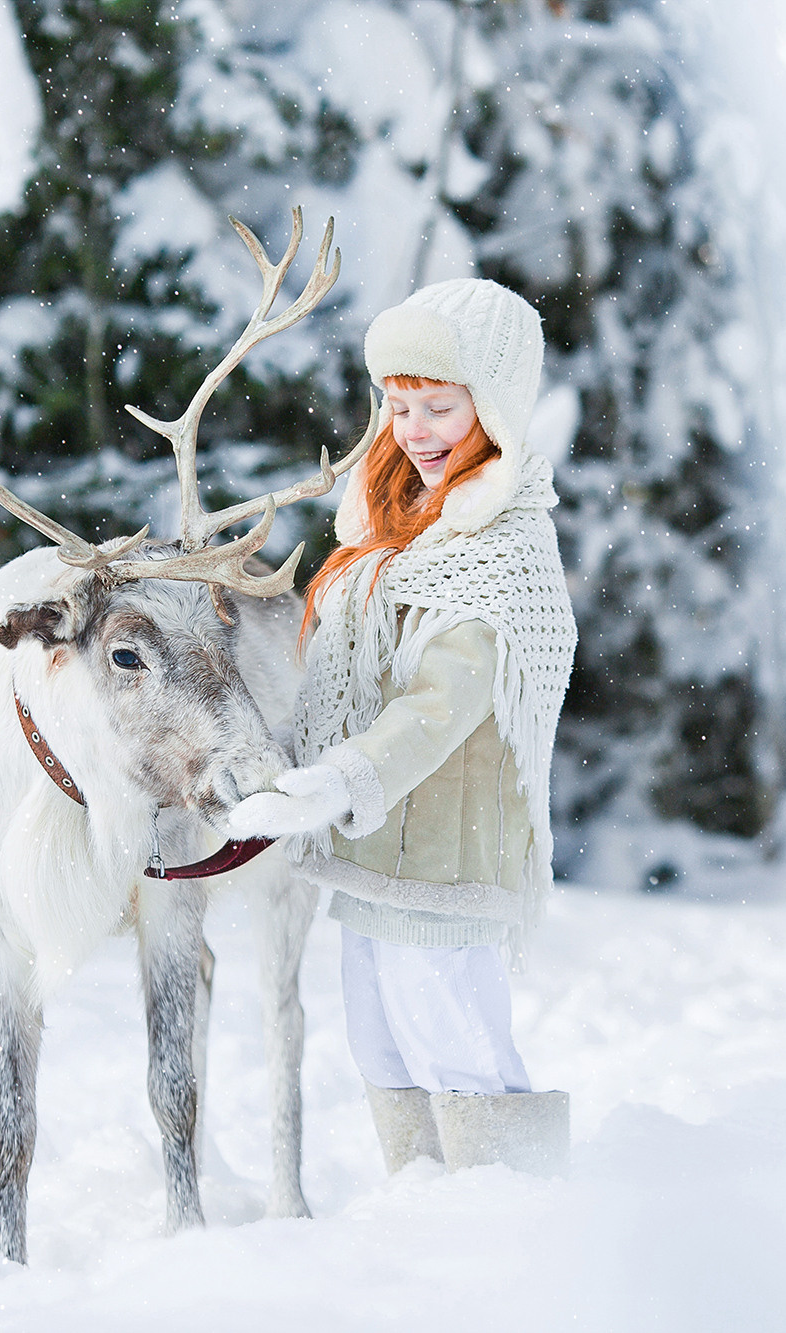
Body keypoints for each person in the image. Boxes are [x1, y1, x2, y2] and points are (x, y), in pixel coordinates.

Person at [227, 278, 579, 1176]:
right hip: (379, 849)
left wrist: (342, 778)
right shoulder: (390, 533)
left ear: (491, 408)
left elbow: (439, 704)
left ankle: (517, 1212)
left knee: (458, 1047)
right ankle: (424, 1219)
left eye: (439, 409)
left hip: (450, 857)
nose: (413, 431)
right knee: (381, 1046)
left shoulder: (501, 546)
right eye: (398, 407)